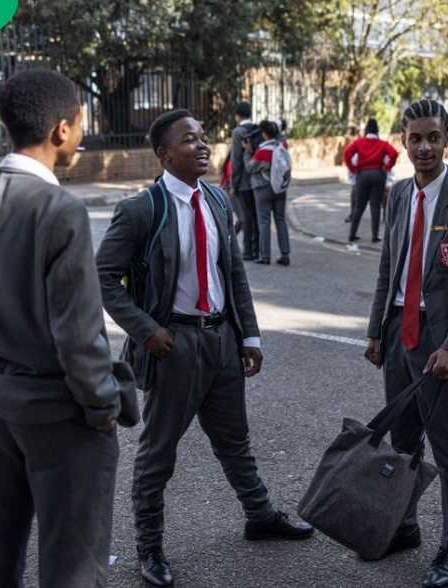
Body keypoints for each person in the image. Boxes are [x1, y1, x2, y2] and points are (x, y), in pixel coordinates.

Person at [96, 110, 314, 587]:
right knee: (158, 455)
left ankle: (259, 516)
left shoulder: (216, 199)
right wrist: (145, 329)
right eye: (188, 140)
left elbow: (232, 273)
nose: (202, 146)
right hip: (172, 345)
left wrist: (249, 336)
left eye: (203, 138)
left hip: (221, 341)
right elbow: (104, 277)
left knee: (235, 442)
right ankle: (149, 549)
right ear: (163, 154)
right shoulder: (142, 210)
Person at [0, 68, 137, 587]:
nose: (81, 134)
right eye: (79, 123)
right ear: (60, 129)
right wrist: (102, 407)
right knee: (72, 565)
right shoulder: (60, 210)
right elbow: (78, 335)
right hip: (58, 411)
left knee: (0, 552)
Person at [364, 99, 448, 588]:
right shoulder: (399, 195)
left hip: (440, 342)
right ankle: (405, 527)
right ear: (404, 140)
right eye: (415, 138)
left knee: (447, 448)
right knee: (402, 443)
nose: (424, 147)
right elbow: (389, 267)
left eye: (433, 138)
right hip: (400, 332)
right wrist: (376, 330)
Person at [343, 117, 399, 243]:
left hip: (362, 175)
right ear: (377, 130)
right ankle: (375, 236)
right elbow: (394, 153)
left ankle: (352, 235)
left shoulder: (359, 142)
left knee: (359, 206)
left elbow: (347, 153)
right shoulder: (383, 144)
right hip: (378, 174)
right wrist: (387, 167)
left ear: (366, 130)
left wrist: (353, 169)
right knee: (375, 207)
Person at [245, 120, 291, 266]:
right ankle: (285, 254)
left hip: (263, 189)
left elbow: (250, 168)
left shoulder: (263, 151)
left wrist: (247, 152)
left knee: (264, 222)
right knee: (281, 220)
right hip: (280, 188)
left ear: (264, 134)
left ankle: (265, 256)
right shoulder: (281, 147)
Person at [230, 100, 260, 260]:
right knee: (257, 217)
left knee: (246, 217)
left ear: (237, 115)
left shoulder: (237, 132)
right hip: (258, 179)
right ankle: (258, 250)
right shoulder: (257, 129)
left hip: (243, 182)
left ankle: (248, 251)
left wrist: (233, 184)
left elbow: (236, 161)